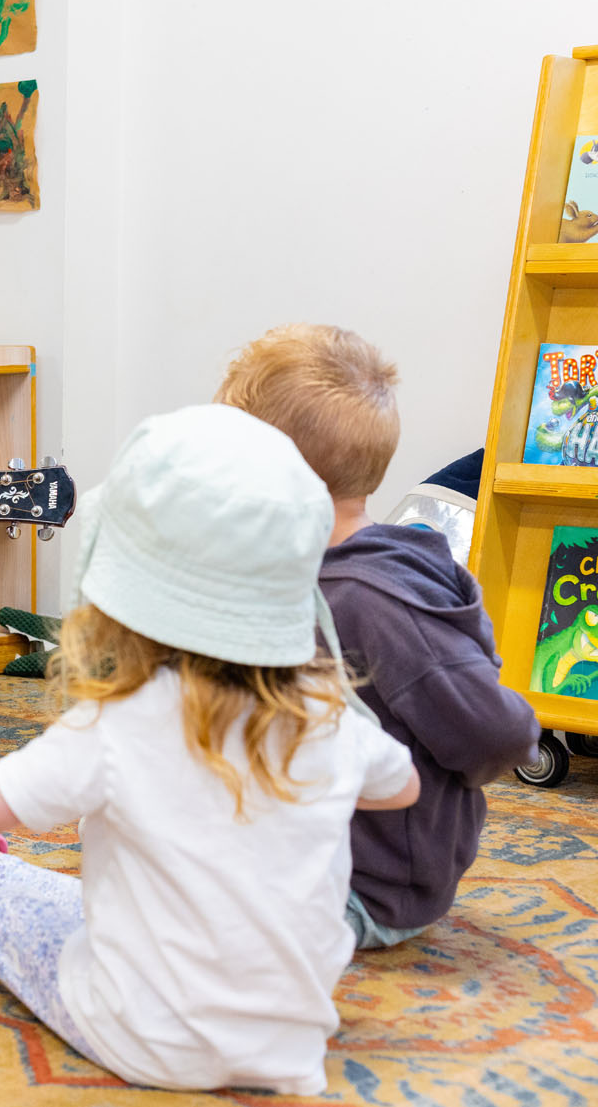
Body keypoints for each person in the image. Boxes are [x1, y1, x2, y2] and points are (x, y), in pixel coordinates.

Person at [0, 404, 420, 1095]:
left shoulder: (119, 723)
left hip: (143, 1033)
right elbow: (400, 789)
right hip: (293, 1040)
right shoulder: (324, 713)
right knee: (97, 905)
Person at [217, 324, 539, 948]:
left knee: (155, 925)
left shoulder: (374, 600)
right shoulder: (309, 576)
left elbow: (501, 732)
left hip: (369, 883)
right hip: (302, 849)